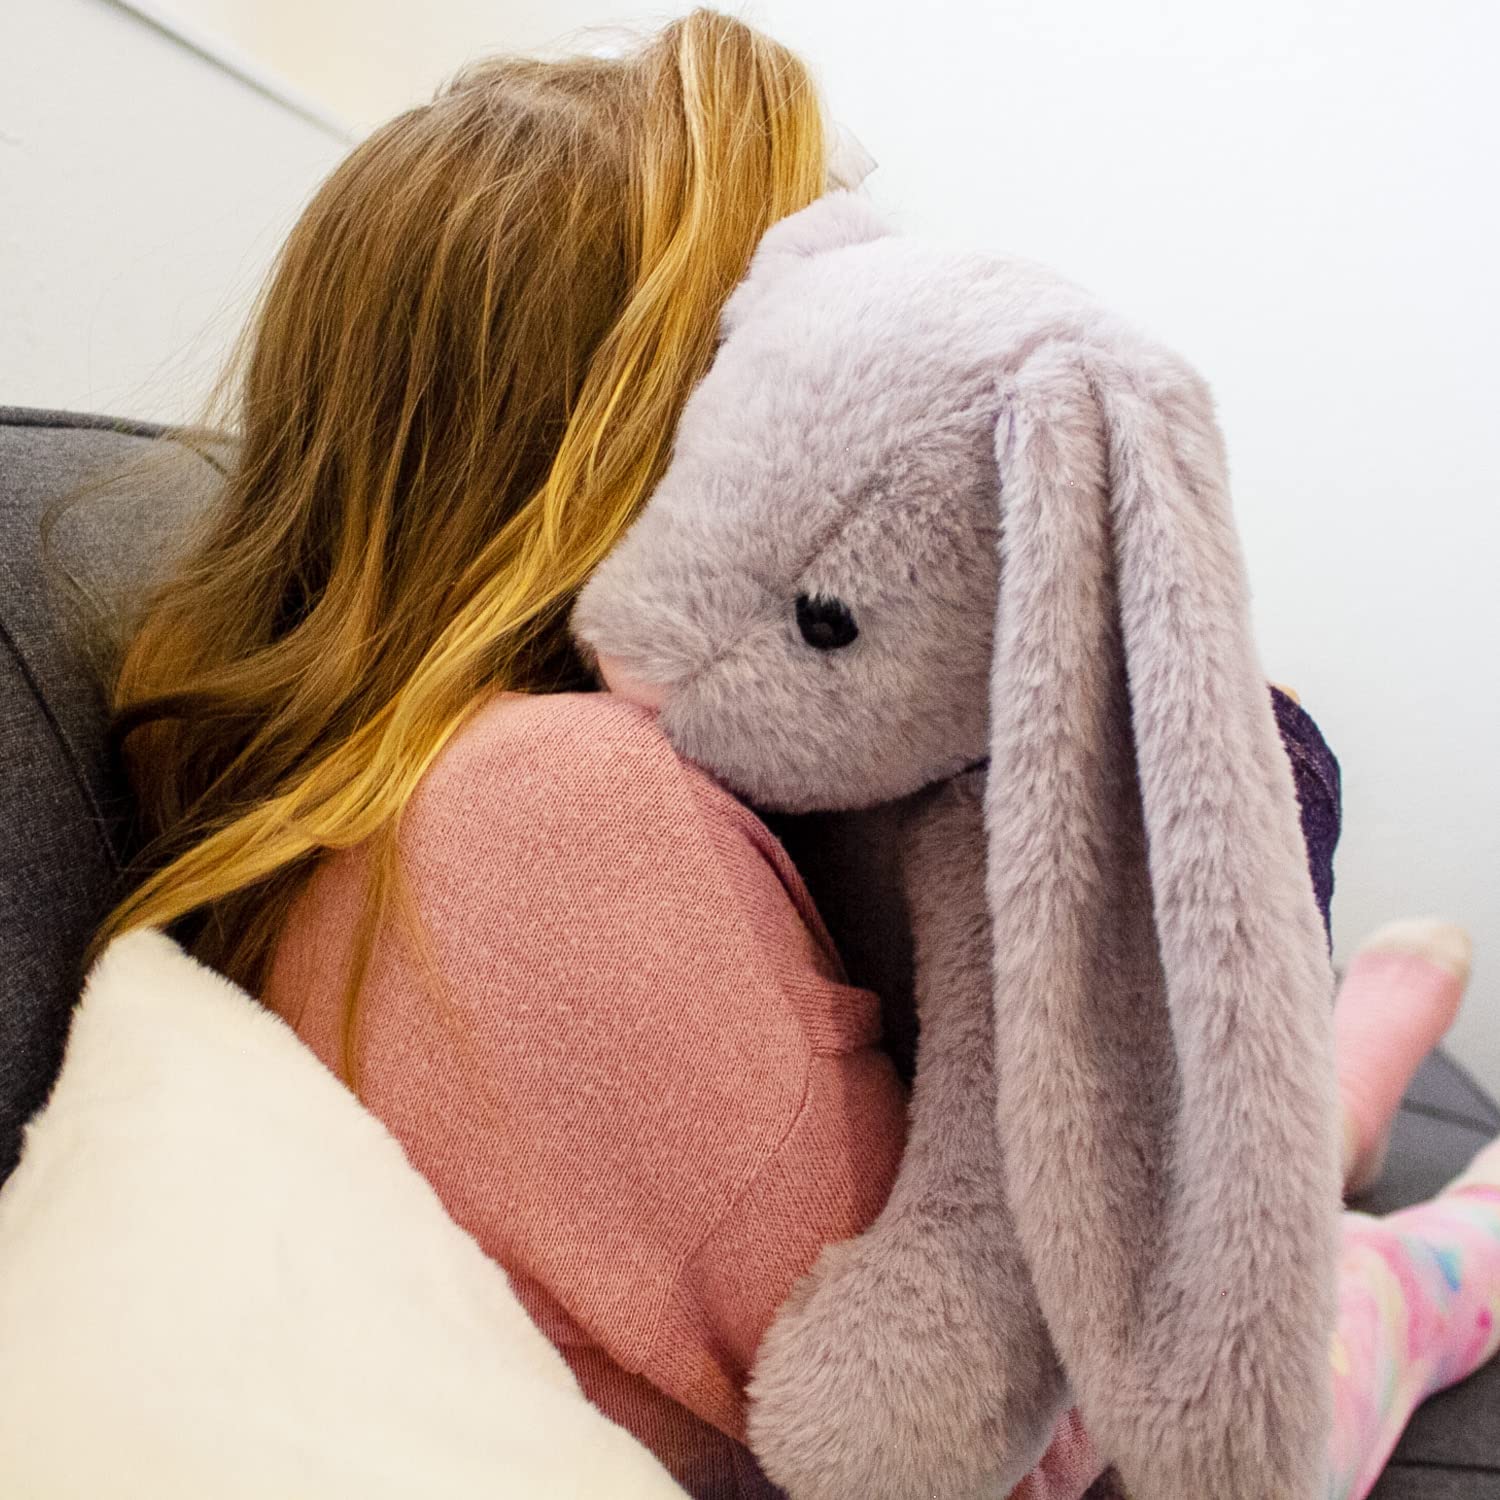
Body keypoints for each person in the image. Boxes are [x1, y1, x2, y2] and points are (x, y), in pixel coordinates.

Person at [97, 12, 1500, 1498]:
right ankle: (1420, 1252)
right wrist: (1264, 797)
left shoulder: (383, 776)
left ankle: (1332, 1105)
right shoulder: (551, 816)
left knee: (1236, 1122)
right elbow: (1033, 1435)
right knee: (1321, 1296)